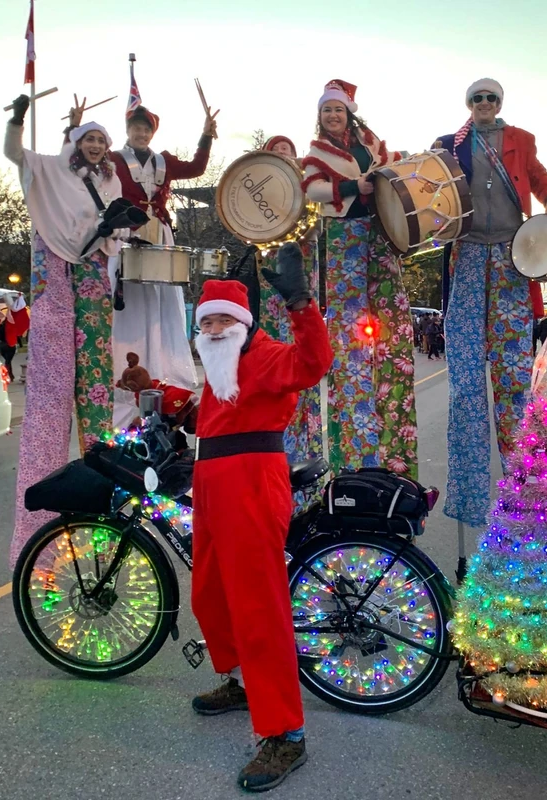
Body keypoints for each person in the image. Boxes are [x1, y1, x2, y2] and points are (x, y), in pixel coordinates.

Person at [190, 244, 332, 792]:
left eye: (226, 318)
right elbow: (218, 411)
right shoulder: (217, 363)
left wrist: (300, 302)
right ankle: (242, 681)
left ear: (245, 323)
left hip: (250, 488)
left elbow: (314, 363)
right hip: (211, 488)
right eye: (209, 320)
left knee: (257, 607)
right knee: (211, 594)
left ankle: (286, 735)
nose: (217, 327)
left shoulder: (269, 354)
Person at [432, 77, 547, 526]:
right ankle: (470, 499)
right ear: (468, 104)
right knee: (466, 385)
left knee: (510, 379)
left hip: (510, 252)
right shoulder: (451, 143)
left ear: (499, 102)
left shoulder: (520, 140)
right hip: (468, 252)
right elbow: (429, 186)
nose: (483, 103)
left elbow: (540, 174)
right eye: (476, 98)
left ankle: (522, 489)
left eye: (490, 97)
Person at [5, 96, 123, 567]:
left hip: (94, 273)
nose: (95, 145)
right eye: (88, 138)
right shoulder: (52, 171)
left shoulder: (109, 180)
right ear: (75, 143)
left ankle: (104, 523)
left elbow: (111, 231)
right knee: (49, 407)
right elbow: (15, 153)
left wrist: (119, 226)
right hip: (55, 273)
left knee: (97, 398)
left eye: (101, 139)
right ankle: (36, 539)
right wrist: (18, 119)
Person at [301, 79, 417, 477]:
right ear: (320, 118)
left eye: (338, 109)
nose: (333, 116)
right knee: (350, 332)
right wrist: (354, 185)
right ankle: (354, 448)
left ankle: (394, 448)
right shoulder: (316, 153)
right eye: (326, 111)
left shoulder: (370, 142)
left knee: (392, 325)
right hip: (345, 235)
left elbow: (391, 168)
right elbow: (311, 190)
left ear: (349, 112)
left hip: (380, 230)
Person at [101, 103, 217, 392]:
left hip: (161, 233)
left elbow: (196, 168)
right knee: (128, 298)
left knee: (162, 300)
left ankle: (163, 368)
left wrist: (206, 137)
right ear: (127, 130)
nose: (141, 133)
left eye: (146, 129)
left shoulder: (163, 161)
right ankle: (124, 367)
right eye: (136, 128)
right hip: (128, 230)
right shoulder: (113, 159)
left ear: (152, 133)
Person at [256, 135, 323, 479]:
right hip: (271, 287)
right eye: (275, 150)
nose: (282, 153)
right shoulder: (258, 204)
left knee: (301, 358)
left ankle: (303, 457)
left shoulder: (308, 193)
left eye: (286, 149)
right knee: (275, 358)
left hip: (299, 271)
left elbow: (315, 226)